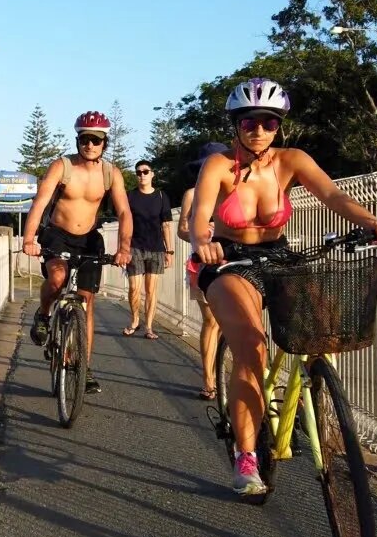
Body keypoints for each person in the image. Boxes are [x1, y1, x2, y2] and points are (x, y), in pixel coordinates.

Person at [190, 78, 377, 497]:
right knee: (252, 347)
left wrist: (370, 222)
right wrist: (203, 241)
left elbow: (333, 195)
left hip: (278, 255)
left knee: (324, 327)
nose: (259, 129)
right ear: (236, 124)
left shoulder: (291, 160)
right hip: (229, 260)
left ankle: (315, 399)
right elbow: (199, 217)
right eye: (250, 121)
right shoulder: (217, 166)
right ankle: (246, 457)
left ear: (279, 125)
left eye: (268, 122)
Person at [22, 110, 133, 394]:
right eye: (85, 139)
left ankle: (82, 367)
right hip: (57, 236)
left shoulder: (111, 174)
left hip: (88, 240)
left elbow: (124, 211)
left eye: (96, 140)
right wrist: (29, 238)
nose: (90, 145)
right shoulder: (62, 166)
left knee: (87, 301)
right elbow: (40, 201)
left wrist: (123, 247)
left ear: (104, 143)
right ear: (77, 140)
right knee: (57, 280)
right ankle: (45, 314)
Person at [177, 142, 228, 400]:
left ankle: (222, 372)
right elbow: (181, 230)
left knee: (229, 323)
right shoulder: (191, 194)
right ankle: (209, 379)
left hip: (232, 261)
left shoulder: (233, 190)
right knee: (212, 321)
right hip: (202, 263)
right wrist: (201, 238)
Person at [122, 159, 174, 339]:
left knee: (151, 290)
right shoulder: (129, 196)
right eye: (138, 172)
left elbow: (166, 225)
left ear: (152, 174)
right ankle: (135, 320)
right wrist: (123, 248)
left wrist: (170, 251)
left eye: (145, 171)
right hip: (134, 247)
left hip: (157, 248)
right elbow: (123, 223)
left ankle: (149, 326)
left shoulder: (161, 196)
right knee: (134, 289)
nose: (142, 175)